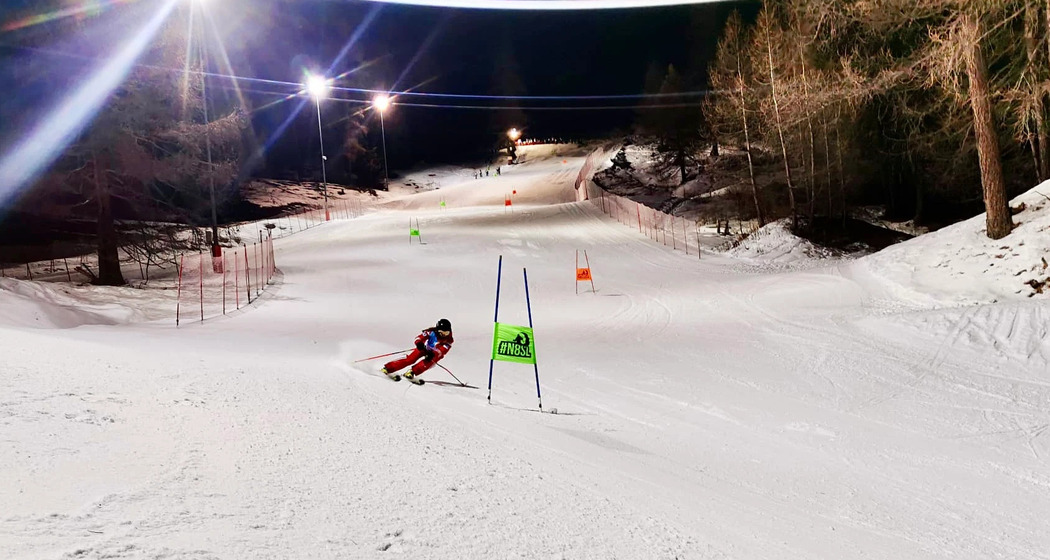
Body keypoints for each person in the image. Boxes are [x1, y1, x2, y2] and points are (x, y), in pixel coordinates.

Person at [382, 319, 454, 384]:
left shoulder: (449, 340)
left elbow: (443, 350)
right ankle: (388, 368)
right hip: (423, 348)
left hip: (433, 354)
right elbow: (418, 338)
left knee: (428, 363)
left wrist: (434, 353)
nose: (444, 334)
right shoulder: (431, 332)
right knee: (410, 359)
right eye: (442, 332)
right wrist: (419, 343)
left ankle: (411, 372)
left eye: (446, 332)